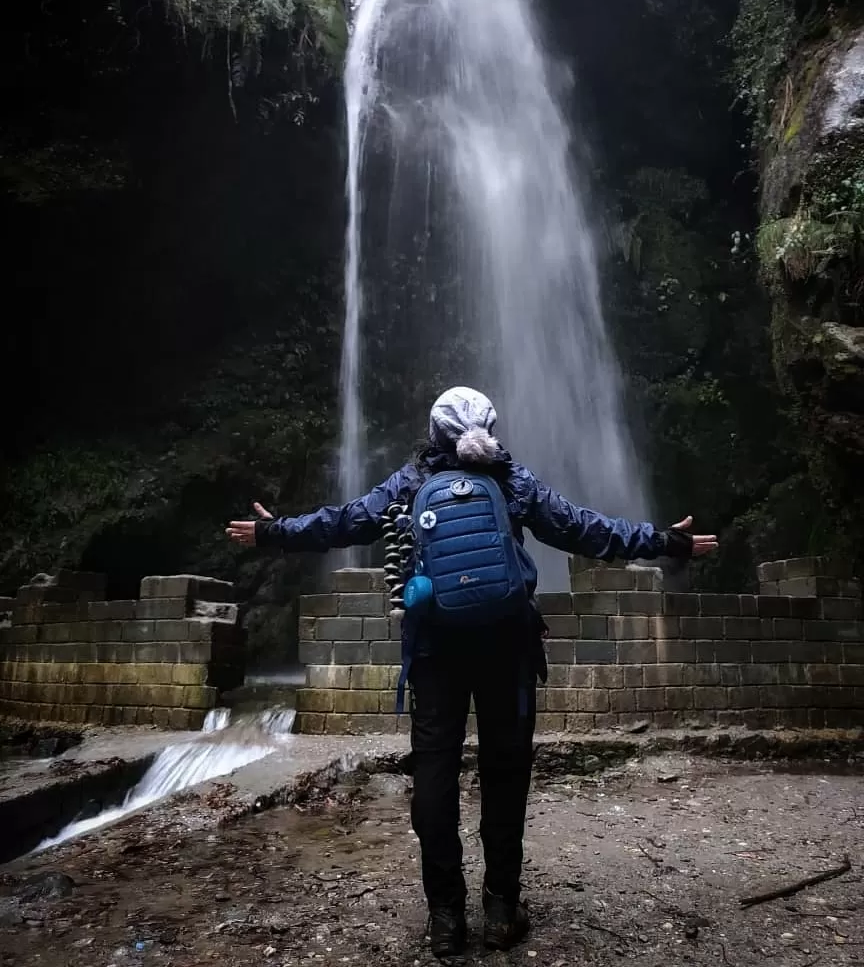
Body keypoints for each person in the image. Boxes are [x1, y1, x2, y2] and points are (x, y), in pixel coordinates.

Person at [226, 386, 717, 958]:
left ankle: (446, 920)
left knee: (434, 772)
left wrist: (274, 531)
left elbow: (346, 522)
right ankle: (502, 912)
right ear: (491, 429)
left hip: (435, 648)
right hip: (507, 645)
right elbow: (587, 529)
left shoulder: (410, 484)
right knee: (505, 773)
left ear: (434, 435)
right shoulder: (513, 483)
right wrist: (666, 540)